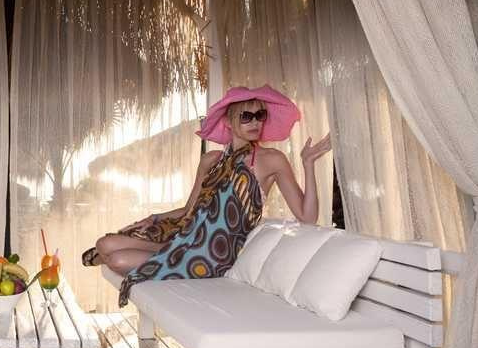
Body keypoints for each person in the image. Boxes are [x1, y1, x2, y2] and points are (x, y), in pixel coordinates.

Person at [81, 85, 332, 306]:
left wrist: (308, 165)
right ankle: (156, 249)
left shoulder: (272, 160)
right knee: (105, 244)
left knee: (118, 261)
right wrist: (154, 218)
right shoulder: (211, 160)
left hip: (214, 253)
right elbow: (189, 210)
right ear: (228, 122)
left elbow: (307, 217)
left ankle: (145, 254)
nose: (255, 122)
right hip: (185, 233)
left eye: (260, 115)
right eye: (246, 116)